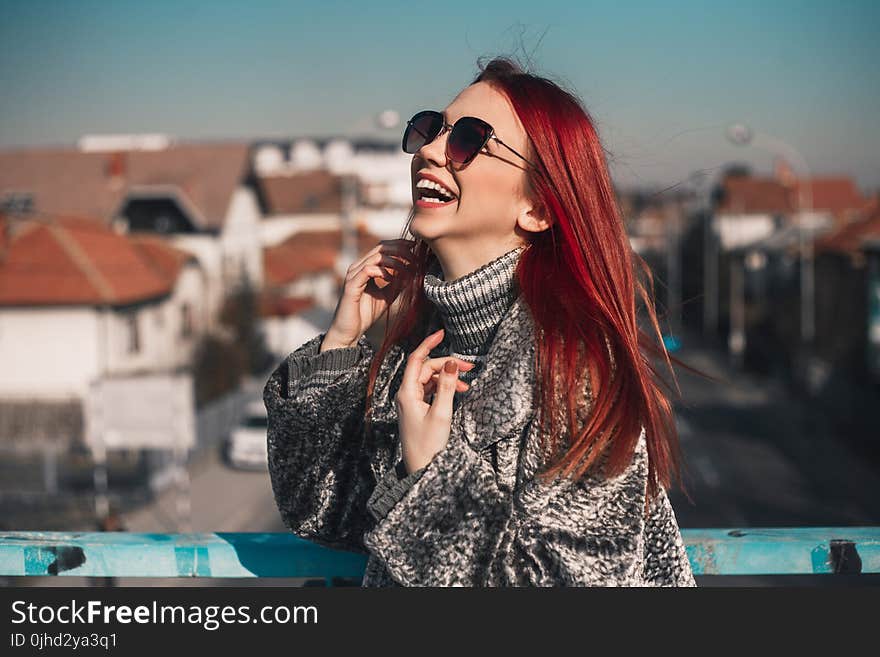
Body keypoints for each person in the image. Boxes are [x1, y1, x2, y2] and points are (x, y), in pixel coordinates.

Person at [264, 56, 706, 586]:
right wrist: (340, 345)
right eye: (432, 128)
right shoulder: (422, 348)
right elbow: (321, 512)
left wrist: (431, 483)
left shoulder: (572, 369)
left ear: (538, 208)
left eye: (469, 139)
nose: (428, 150)